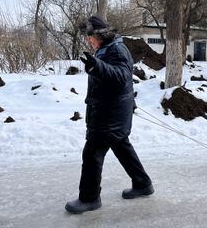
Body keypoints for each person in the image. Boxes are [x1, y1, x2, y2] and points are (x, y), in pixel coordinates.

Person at [65, 16, 154, 214]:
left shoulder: (116, 49)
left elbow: (121, 76)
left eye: (91, 37)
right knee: (122, 147)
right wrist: (97, 65)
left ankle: (89, 198)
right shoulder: (108, 48)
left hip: (109, 115)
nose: (89, 40)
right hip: (114, 112)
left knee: (92, 154)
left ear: (100, 35)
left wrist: (97, 66)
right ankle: (142, 183)